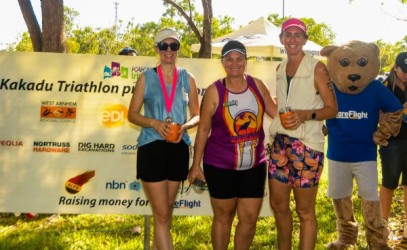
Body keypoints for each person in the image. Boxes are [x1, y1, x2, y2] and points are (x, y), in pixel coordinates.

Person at [188, 40, 277, 250]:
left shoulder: (258, 85)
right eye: (229, 59)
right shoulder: (214, 91)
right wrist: (195, 164)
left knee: (249, 218)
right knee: (223, 216)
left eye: (239, 59)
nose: (234, 63)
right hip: (220, 166)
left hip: (254, 166)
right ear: (222, 62)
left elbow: (276, 114)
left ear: (246, 61)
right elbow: (203, 129)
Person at [267, 18, 338, 250]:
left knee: (304, 211)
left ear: (305, 40)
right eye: (288, 35)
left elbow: (332, 109)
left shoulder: (317, 67)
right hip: (280, 145)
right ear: (281, 40)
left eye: (298, 35)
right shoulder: (279, 68)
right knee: (278, 207)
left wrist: (306, 114)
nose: (293, 39)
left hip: (307, 146)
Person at [127, 28, 200, 250]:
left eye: (174, 46)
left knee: (166, 212)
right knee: (160, 213)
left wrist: (184, 127)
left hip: (178, 147)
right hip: (151, 147)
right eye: (164, 46)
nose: (169, 50)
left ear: (178, 49)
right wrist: (154, 123)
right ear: (156, 49)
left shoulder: (188, 78)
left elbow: (197, 114)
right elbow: (132, 113)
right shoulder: (146, 77)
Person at [379, 51, 407, 238]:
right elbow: (378, 114)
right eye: (403, 70)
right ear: (395, 67)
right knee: (389, 184)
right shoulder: (385, 86)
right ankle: (383, 224)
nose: (406, 74)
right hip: (392, 142)